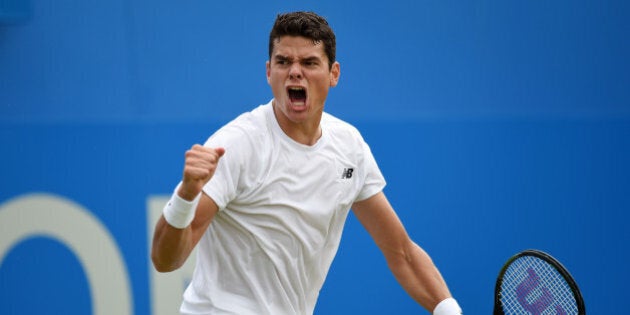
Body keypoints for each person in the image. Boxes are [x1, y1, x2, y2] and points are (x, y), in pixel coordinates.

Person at [151, 11, 462, 315]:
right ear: (268, 71)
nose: (295, 72)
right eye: (283, 62)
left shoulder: (348, 146)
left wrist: (448, 310)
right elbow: (165, 261)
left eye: (310, 62)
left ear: (334, 74)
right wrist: (186, 195)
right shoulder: (237, 144)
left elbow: (402, 252)